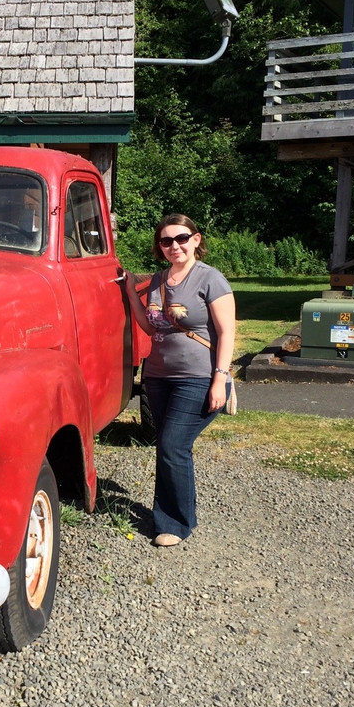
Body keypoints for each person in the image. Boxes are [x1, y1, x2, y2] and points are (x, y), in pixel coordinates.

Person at [124, 214, 236, 548]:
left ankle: (176, 523)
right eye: (166, 241)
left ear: (196, 240)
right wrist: (131, 292)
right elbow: (150, 326)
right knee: (169, 446)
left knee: (173, 445)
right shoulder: (159, 280)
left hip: (199, 376)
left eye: (182, 238)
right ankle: (169, 515)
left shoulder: (210, 279)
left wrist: (220, 379)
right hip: (158, 377)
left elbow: (228, 331)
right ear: (160, 247)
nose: (175, 246)